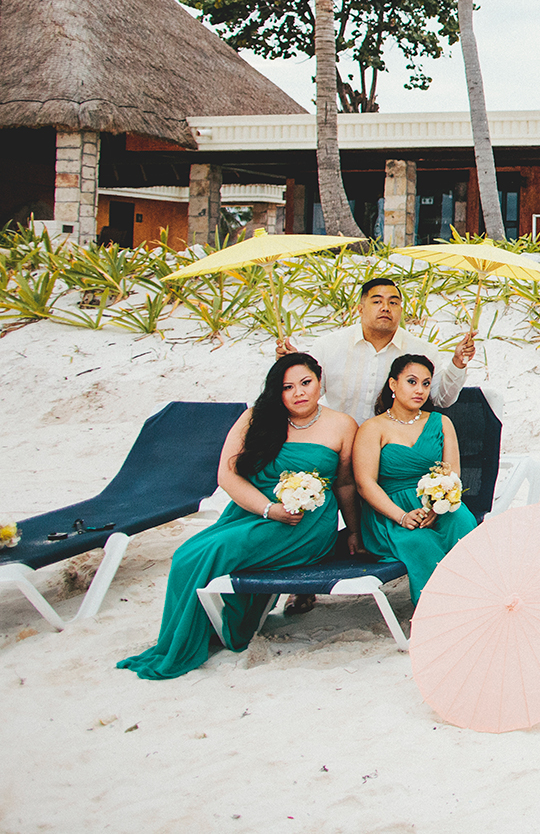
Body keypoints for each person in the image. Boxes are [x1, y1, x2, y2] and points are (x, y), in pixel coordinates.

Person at [118, 354, 358, 679]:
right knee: (186, 555)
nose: (299, 392)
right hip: (253, 512)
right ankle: (185, 637)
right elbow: (227, 476)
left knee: (216, 551)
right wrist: (268, 509)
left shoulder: (342, 425)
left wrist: (354, 531)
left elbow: (344, 483)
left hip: (306, 527)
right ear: (278, 391)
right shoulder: (255, 419)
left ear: (320, 382)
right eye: (288, 387)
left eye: (306, 383)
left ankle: (204, 634)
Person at [353, 354, 477, 603]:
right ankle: (437, 609)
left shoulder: (441, 422)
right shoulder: (372, 428)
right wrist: (401, 515)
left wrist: (438, 506)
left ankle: (477, 598)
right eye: (412, 382)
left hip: (434, 503)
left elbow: (452, 474)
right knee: (419, 540)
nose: (420, 390)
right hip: (389, 512)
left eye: (426, 383)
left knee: (463, 521)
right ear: (393, 385)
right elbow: (365, 483)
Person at [278, 278, 472, 424]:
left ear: (401, 310)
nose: (386, 308)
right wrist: (290, 368)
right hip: (339, 443)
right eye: (377, 302)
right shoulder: (328, 346)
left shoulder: (422, 350)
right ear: (360, 309)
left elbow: (442, 400)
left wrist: (458, 364)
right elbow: (307, 395)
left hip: (394, 448)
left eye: (393, 302)